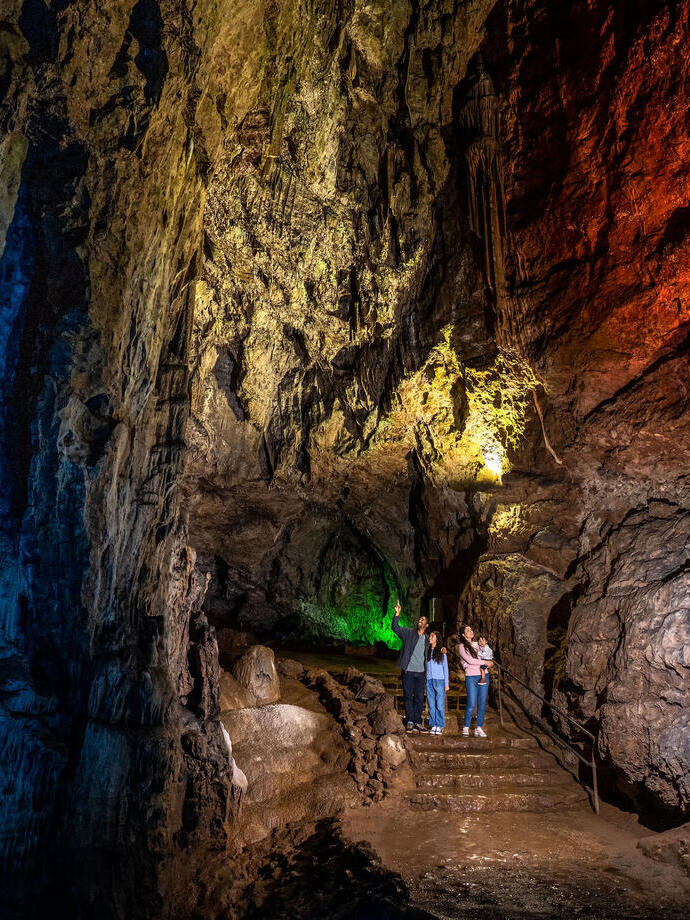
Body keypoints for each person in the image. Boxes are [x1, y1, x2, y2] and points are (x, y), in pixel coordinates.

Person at [392, 600, 429, 733]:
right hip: (408, 671)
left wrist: (442, 649)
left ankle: (418, 722)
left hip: (421, 673)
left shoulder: (427, 639)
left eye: (423, 619)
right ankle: (410, 721)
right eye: (420, 619)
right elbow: (395, 628)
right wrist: (397, 614)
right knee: (408, 696)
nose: (420, 620)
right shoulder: (408, 633)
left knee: (419, 697)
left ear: (427, 625)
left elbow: (435, 648)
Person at [457, 624, 491, 738]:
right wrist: (484, 662)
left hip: (483, 675)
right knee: (471, 703)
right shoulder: (462, 646)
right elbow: (470, 660)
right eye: (468, 630)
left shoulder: (478, 644)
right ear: (463, 634)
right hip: (471, 676)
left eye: (471, 629)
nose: (471, 631)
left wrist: (485, 650)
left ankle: (478, 727)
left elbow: (488, 655)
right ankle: (466, 726)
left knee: (482, 703)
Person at [426, 631, 449, 735]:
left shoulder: (441, 652)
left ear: (437, 639)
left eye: (432, 636)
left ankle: (440, 724)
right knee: (431, 704)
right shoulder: (427, 651)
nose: (430, 637)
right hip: (429, 680)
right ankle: (433, 724)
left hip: (440, 680)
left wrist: (446, 683)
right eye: (430, 635)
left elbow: (445, 668)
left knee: (439, 704)